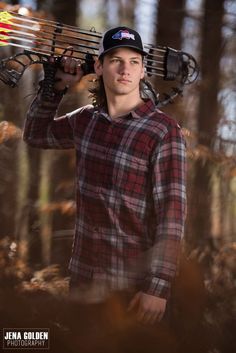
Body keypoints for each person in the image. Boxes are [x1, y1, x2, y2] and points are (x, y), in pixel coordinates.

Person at [23, 26, 187, 325]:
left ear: (143, 71)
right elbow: (36, 135)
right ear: (98, 67)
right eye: (115, 60)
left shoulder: (162, 130)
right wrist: (57, 86)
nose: (125, 69)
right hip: (84, 280)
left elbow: (172, 217)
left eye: (134, 61)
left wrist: (158, 287)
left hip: (134, 288)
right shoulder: (86, 120)